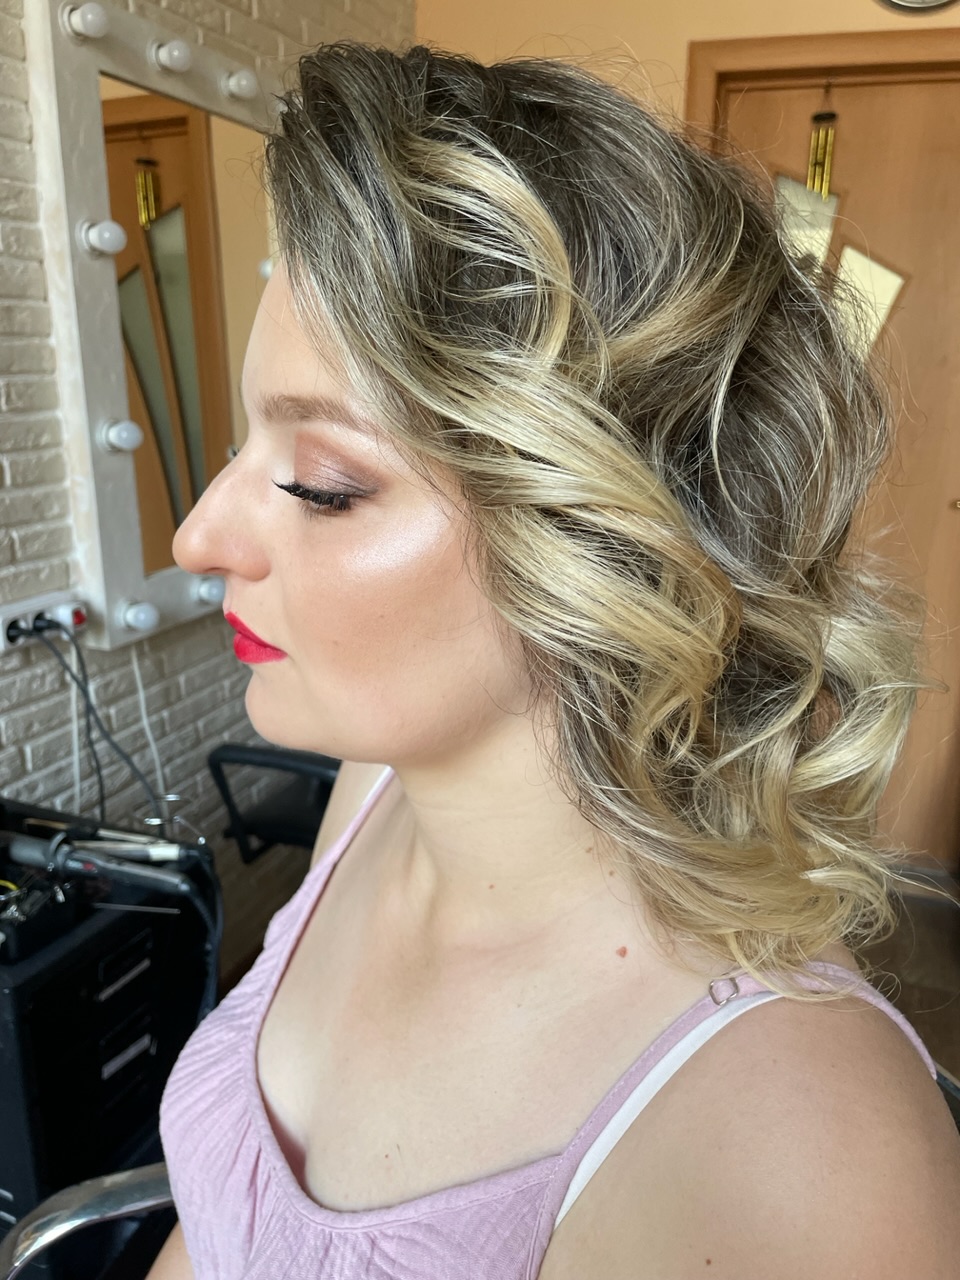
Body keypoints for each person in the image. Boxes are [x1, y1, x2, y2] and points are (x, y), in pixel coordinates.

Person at [151, 43, 960, 1279]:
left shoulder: (800, 1156)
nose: (198, 536)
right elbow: (224, 1219)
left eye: (320, 484)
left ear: (600, 542)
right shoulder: (376, 796)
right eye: (241, 447)